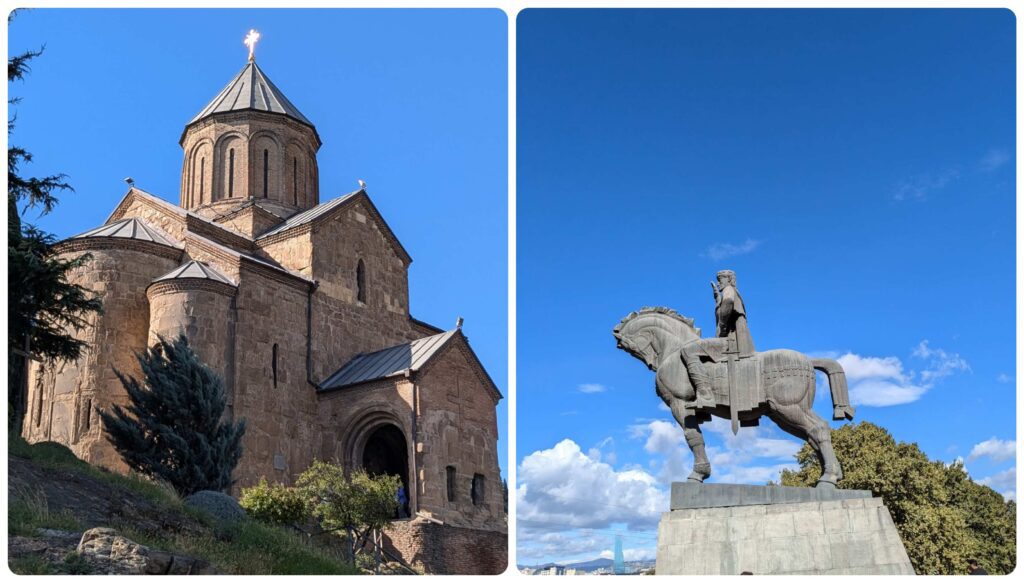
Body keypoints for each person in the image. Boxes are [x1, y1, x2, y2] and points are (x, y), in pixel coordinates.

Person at [679, 270, 755, 410]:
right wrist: (717, 299)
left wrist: (722, 325)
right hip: (732, 340)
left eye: (721, 279)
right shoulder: (727, 291)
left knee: (688, 350)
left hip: (732, 341)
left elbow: (729, 301)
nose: (719, 282)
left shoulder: (729, 289)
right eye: (718, 279)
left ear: (729, 279)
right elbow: (725, 304)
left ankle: (706, 395)